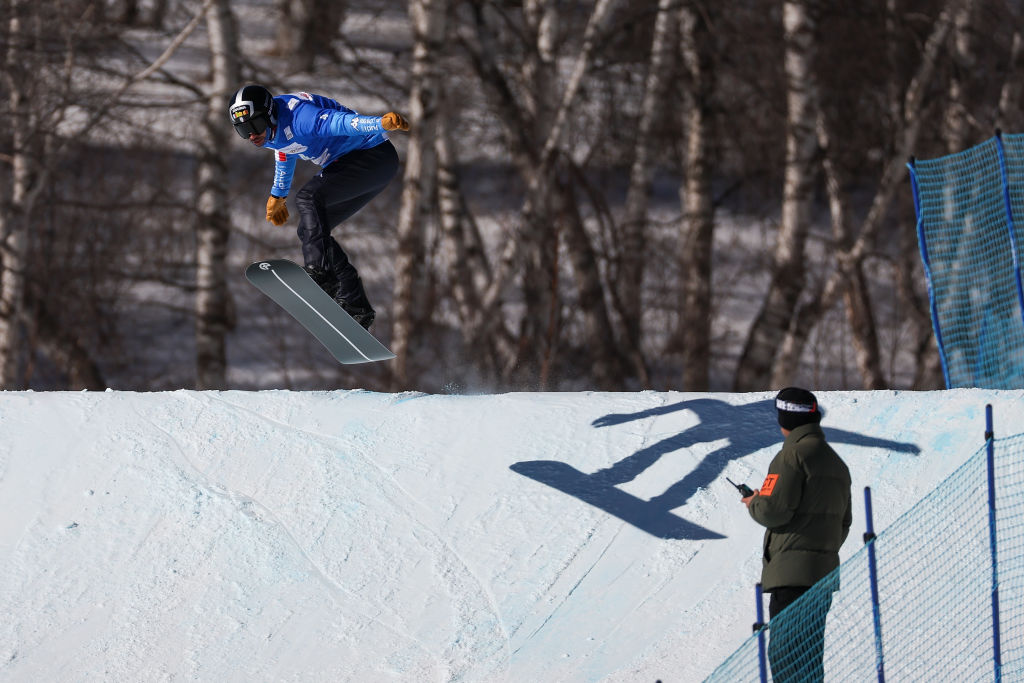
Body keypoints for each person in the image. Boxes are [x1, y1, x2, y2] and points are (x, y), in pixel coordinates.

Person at [228, 84, 410, 329]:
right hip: (367, 168)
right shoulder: (268, 131)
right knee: (310, 231)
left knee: (308, 198)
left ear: (270, 114)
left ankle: (319, 274)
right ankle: (356, 305)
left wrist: (379, 123)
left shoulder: (301, 117)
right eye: (243, 130)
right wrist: (278, 195)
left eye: (254, 126)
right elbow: (284, 151)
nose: (251, 135)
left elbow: (342, 123)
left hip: (372, 156)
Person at [742, 387, 852, 682]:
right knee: (809, 659)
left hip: (792, 579)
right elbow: (844, 522)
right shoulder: (836, 462)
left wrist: (754, 503)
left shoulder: (790, 456)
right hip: (823, 577)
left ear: (784, 419)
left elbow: (774, 511)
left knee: (785, 656)